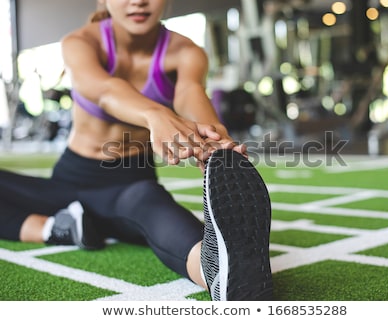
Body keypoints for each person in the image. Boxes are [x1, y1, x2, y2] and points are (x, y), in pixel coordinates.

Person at [0, 0, 272, 300]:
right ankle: (53, 228)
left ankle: (221, 272)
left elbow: (189, 93)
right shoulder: (81, 42)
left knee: (160, 217)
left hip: (131, 187)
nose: (138, 1)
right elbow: (103, 90)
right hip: (68, 184)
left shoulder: (186, 52)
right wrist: (155, 114)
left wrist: (213, 143)